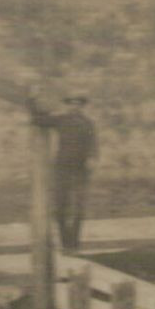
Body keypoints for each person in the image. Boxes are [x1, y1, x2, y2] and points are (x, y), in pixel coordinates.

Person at [29, 92, 98, 251]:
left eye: (78, 104)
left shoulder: (88, 124)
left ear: (82, 106)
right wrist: (32, 101)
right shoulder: (61, 120)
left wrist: (92, 158)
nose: (74, 106)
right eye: (71, 103)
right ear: (68, 105)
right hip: (63, 169)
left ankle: (74, 244)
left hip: (81, 170)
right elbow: (37, 120)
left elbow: (94, 144)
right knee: (61, 207)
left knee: (79, 208)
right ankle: (65, 243)